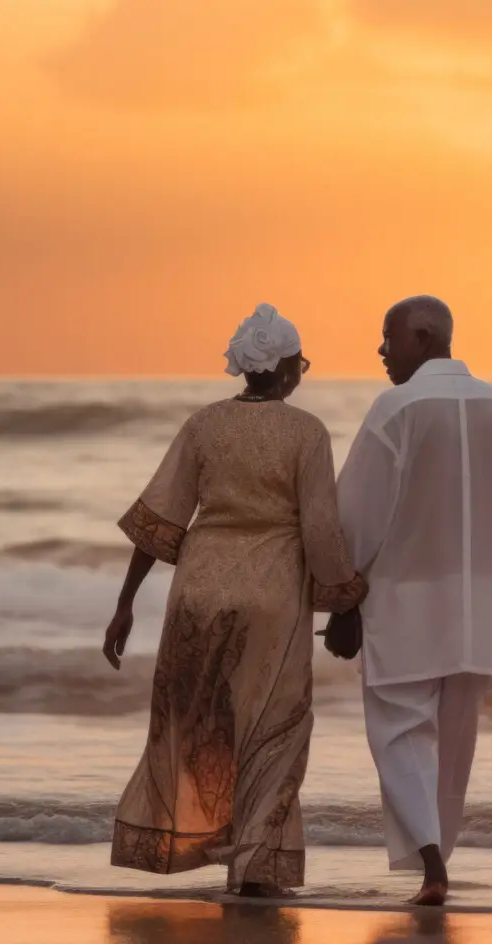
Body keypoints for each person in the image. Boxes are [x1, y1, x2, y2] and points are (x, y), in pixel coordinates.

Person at [103, 303, 366, 897]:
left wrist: (125, 605)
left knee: (206, 724)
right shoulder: (307, 433)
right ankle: (254, 865)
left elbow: (159, 522)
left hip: (196, 593)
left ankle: (209, 849)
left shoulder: (203, 425)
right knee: (274, 727)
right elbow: (321, 530)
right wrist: (346, 597)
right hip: (272, 598)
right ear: (290, 372)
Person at [324, 296, 492, 906]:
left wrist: (342, 601)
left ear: (423, 337)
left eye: (387, 338)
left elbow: (357, 516)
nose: (381, 351)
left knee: (400, 732)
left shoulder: (396, 409)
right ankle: (435, 862)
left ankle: (432, 866)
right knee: (454, 742)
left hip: (404, 606)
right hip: (478, 610)